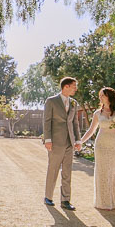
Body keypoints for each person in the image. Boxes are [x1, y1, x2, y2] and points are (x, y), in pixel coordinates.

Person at [79, 86, 115, 210]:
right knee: (103, 172)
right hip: (101, 145)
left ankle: (113, 201)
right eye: (100, 96)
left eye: (102, 95)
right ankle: (103, 202)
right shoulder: (97, 113)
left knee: (114, 172)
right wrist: (80, 141)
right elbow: (91, 130)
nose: (100, 97)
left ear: (109, 97)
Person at [43, 77, 81, 210]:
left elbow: (75, 123)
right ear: (66, 86)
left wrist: (78, 140)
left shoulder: (74, 103)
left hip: (69, 142)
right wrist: (47, 140)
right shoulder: (51, 101)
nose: (76, 89)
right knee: (53, 170)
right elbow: (46, 121)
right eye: (74, 86)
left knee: (67, 172)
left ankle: (65, 200)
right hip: (55, 142)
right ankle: (48, 197)